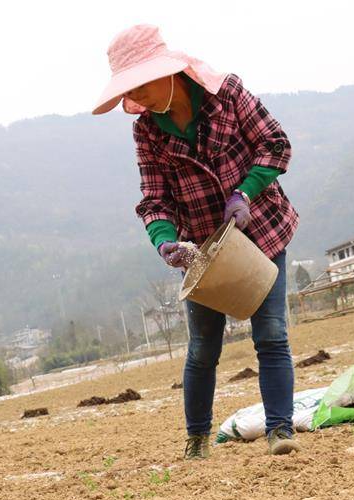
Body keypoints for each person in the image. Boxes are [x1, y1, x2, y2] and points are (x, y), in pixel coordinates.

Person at [92, 25, 301, 459]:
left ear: (168, 72)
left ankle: (280, 430)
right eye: (131, 89)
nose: (141, 97)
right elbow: (154, 200)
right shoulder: (148, 132)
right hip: (203, 251)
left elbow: (275, 144)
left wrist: (245, 191)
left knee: (272, 333)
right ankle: (197, 440)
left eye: (144, 84)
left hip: (260, 229)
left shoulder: (228, 94)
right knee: (204, 346)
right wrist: (165, 242)